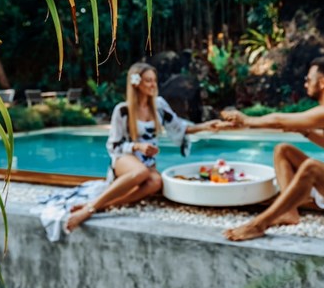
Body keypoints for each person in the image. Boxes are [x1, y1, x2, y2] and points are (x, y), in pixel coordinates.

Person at [221, 57, 324, 241]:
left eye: (309, 79)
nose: (305, 83)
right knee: (283, 151)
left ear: (323, 82)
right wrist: (306, 132)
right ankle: (288, 214)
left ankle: (258, 224)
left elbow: (279, 120)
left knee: (312, 167)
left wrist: (246, 120)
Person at [68, 62, 222, 231]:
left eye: (154, 80)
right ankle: (90, 209)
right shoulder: (123, 110)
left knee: (156, 182)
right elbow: (113, 145)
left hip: (147, 164)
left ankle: (103, 205)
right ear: (136, 83)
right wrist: (137, 147)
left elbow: (179, 127)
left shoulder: (159, 106)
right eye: (148, 80)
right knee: (141, 172)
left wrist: (207, 126)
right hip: (125, 159)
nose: (153, 85)